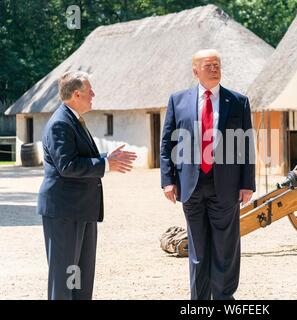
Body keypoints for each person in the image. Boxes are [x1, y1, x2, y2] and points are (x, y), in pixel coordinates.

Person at [160, 49, 255, 300]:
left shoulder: (238, 101)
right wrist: (168, 181)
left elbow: (247, 145)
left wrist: (247, 183)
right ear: (196, 71)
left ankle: (224, 297)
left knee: (226, 247)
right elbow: (167, 144)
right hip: (189, 185)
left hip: (226, 185)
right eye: (208, 65)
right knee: (197, 248)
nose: (214, 68)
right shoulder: (177, 100)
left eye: (217, 64)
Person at [37, 71, 137, 299]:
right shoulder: (60, 124)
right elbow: (67, 165)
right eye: (89, 91)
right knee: (65, 279)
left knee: (80, 277)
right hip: (64, 212)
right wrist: (105, 164)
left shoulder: (73, 120)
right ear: (76, 94)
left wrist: (106, 156)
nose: (93, 94)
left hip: (81, 210)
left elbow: (79, 155)